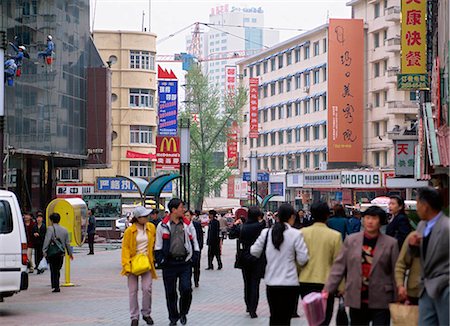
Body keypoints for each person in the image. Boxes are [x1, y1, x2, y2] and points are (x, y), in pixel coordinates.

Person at [324, 206, 399, 326]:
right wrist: (328, 289)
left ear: (380, 221)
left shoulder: (391, 243)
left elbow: (396, 271)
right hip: (357, 296)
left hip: (381, 297)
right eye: (367, 218)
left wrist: (399, 293)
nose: (370, 221)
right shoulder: (352, 241)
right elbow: (339, 266)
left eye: (374, 218)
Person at [251, 203, 309, 326]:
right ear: (292, 217)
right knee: (286, 318)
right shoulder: (295, 234)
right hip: (290, 283)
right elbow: (303, 259)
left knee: (275, 316)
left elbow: (254, 251)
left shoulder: (266, 233)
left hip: (272, 283)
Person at [155, 198, 200, 326]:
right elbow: (158, 245)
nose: (183, 210)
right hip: (169, 263)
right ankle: (173, 318)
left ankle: (183, 312)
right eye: (181, 207)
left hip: (185, 263)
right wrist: (161, 260)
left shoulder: (187, 224)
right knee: (170, 292)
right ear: (174, 210)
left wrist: (194, 256)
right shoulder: (162, 225)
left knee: (186, 289)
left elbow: (194, 241)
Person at [409, 187, 449, 326]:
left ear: (425, 206)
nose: (417, 208)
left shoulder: (447, 227)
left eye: (417, 203)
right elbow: (419, 255)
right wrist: (413, 246)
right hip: (425, 287)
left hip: (445, 286)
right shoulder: (421, 225)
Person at [298, 202, 342, 325]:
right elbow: (339, 264)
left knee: (312, 317)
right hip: (327, 283)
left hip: (305, 281)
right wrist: (341, 286)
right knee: (325, 317)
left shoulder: (302, 233)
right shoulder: (335, 236)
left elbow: (297, 259)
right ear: (328, 215)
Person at [121, 206, 157, 326]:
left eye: (147, 216)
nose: (147, 218)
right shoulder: (129, 231)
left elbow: (155, 243)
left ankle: (146, 313)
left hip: (146, 263)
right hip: (132, 264)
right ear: (137, 218)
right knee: (133, 291)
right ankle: (134, 317)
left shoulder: (151, 228)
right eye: (144, 216)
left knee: (147, 288)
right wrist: (126, 265)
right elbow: (125, 248)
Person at [233, 206, 266, 318]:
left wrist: (236, 223)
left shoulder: (242, 227)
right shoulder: (260, 227)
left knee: (247, 283)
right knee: (255, 284)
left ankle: (248, 305)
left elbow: (231, 234)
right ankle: (253, 308)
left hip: (244, 258)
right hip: (257, 258)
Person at [42, 213, 73, 293]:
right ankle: (57, 285)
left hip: (52, 252)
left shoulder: (50, 229)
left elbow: (47, 240)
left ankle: (55, 285)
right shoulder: (64, 230)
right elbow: (67, 243)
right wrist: (70, 253)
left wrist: (44, 250)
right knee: (58, 269)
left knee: (53, 269)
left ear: (51, 220)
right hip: (61, 253)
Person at [395, 231, 421, 304]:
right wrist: (400, 285)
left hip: (439, 291)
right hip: (415, 292)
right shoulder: (414, 236)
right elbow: (401, 264)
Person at [185, 210, 204, 287]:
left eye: (188, 215)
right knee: (188, 267)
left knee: (196, 267)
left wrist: (199, 247)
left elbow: (200, 236)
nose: (186, 217)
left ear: (191, 216)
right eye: (185, 215)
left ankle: (196, 281)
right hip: (187, 251)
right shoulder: (182, 225)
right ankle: (188, 281)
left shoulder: (196, 225)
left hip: (196, 250)